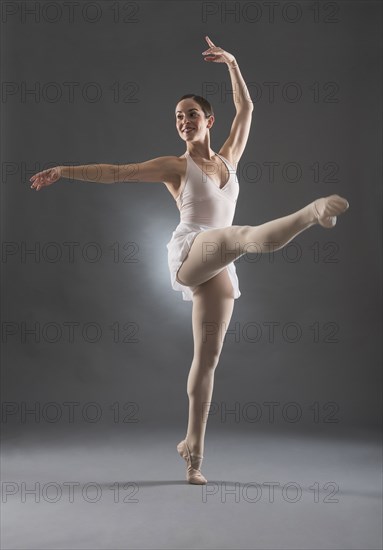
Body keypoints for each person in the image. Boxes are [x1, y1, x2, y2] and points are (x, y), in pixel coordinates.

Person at [30, 36, 349, 485]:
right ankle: (312, 213)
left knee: (208, 357)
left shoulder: (230, 158)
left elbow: (248, 109)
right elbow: (118, 173)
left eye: (191, 114)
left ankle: (192, 452)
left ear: (208, 120)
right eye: (178, 117)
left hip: (219, 266)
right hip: (191, 252)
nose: (183, 121)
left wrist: (233, 62)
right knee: (238, 236)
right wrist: (65, 170)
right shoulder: (175, 167)